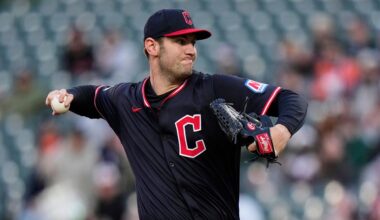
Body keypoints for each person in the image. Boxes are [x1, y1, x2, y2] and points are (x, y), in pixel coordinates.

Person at [45, 9, 308, 220]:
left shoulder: (215, 88)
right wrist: (69, 94)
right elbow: (92, 96)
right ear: (152, 46)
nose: (191, 50)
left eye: (192, 43)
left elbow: (291, 99)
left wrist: (282, 130)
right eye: (180, 41)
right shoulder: (126, 100)